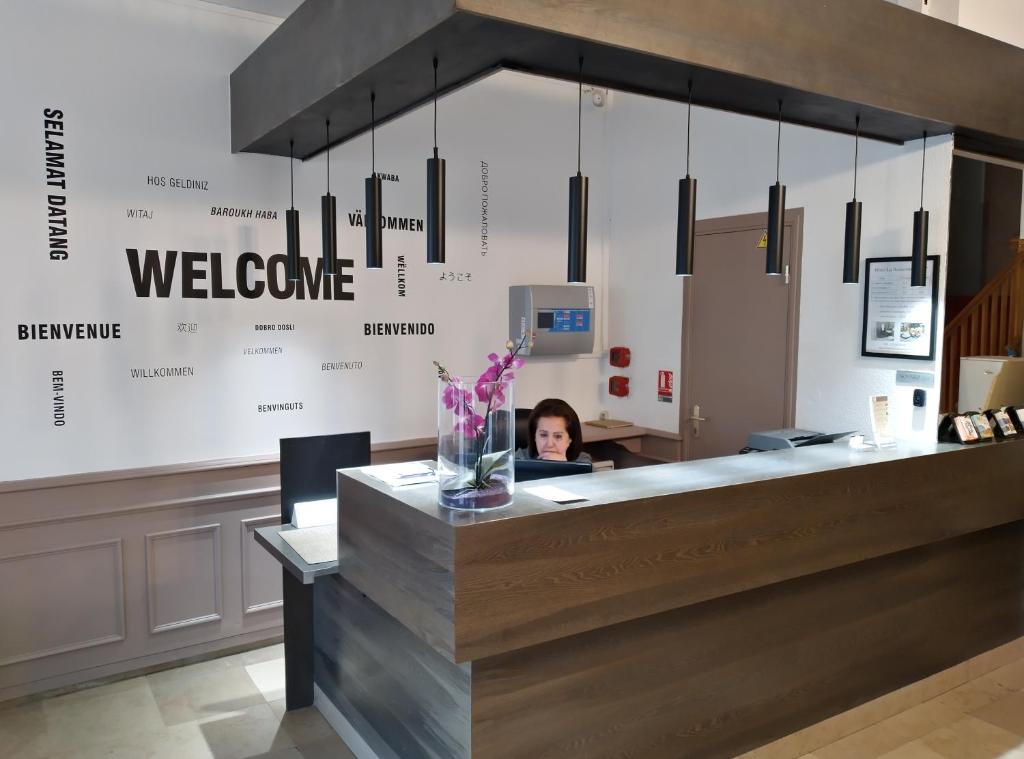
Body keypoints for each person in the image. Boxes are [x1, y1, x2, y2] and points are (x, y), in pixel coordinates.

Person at [515, 398, 592, 464]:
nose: (549, 444)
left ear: (570, 439)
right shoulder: (518, 460)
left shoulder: (583, 462)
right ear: (534, 436)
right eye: (543, 435)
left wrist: (564, 467)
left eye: (558, 436)